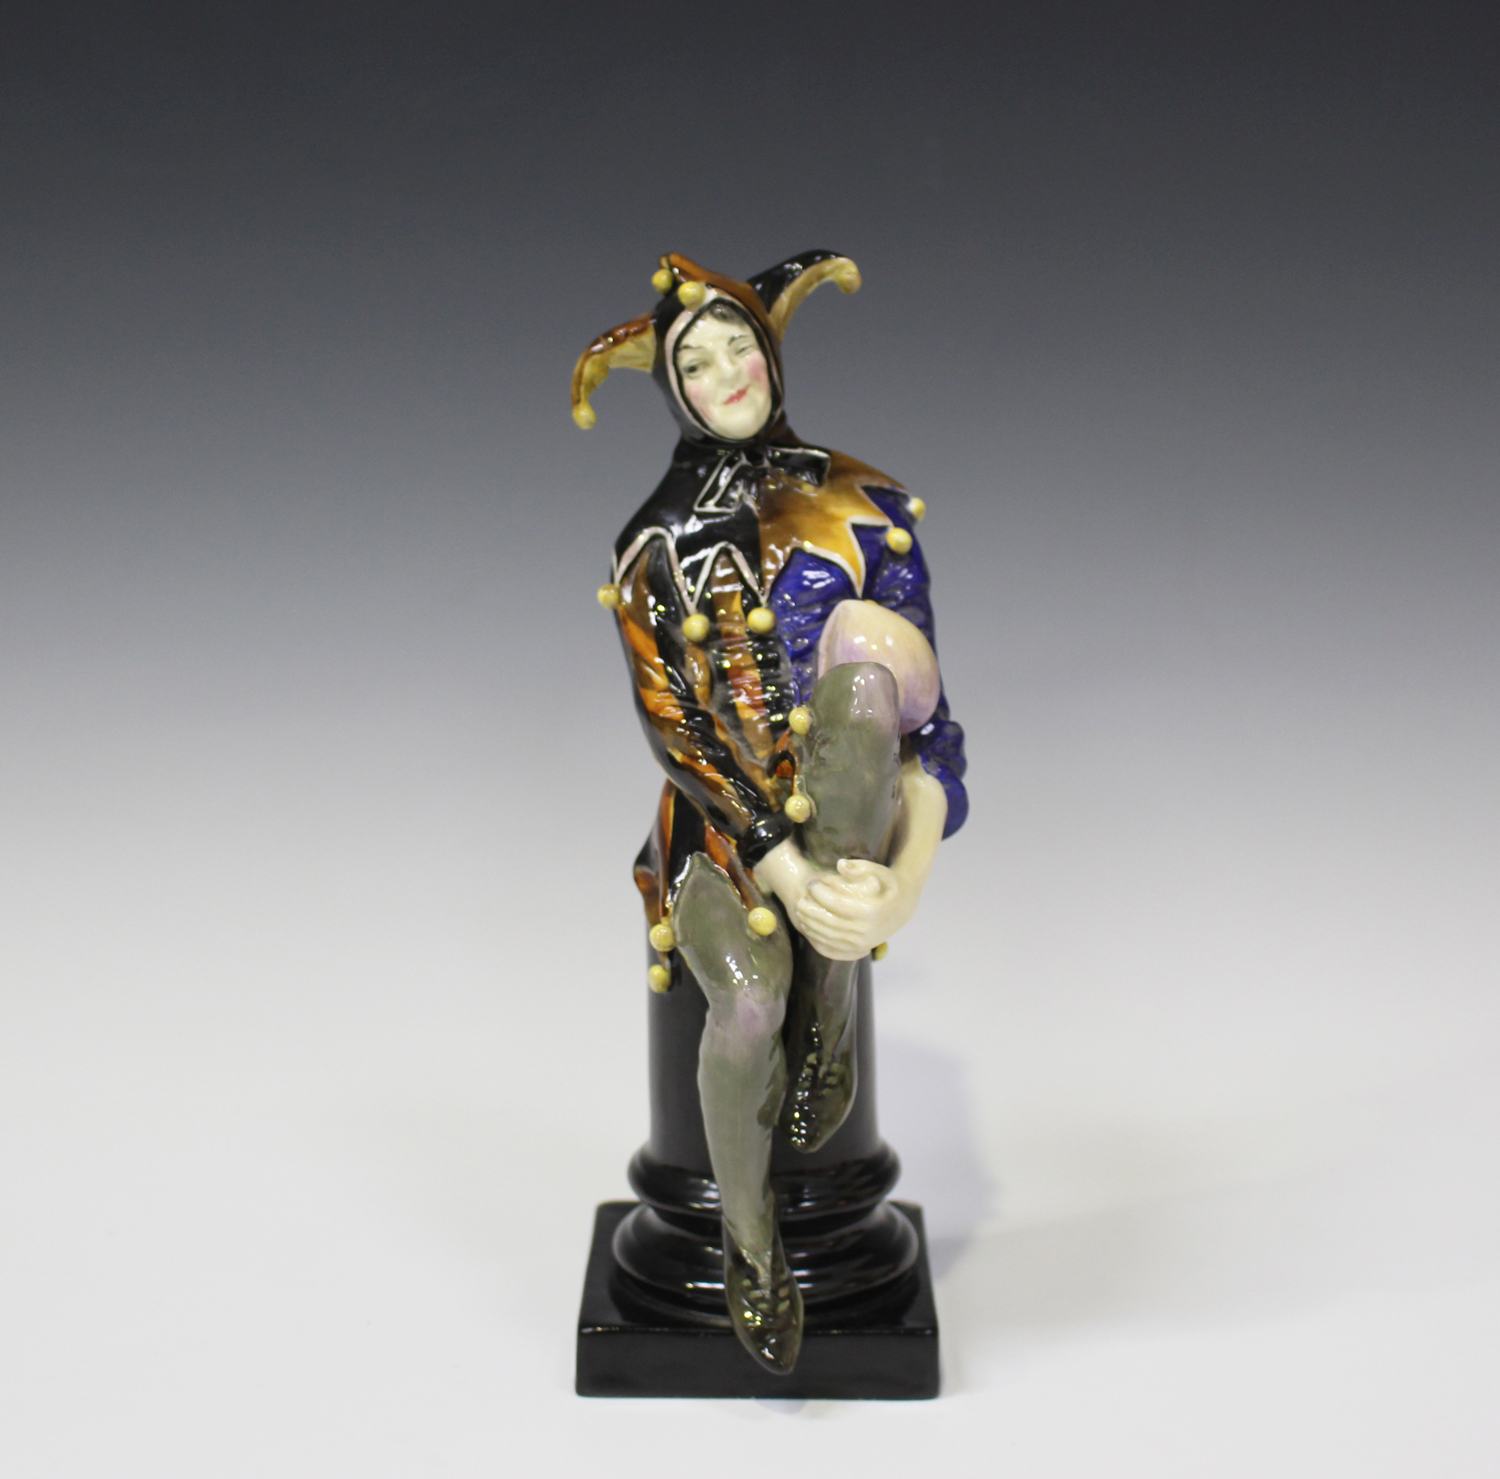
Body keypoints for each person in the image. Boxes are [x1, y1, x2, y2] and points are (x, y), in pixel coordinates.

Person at [573, 251, 967, 1374]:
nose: (726, 374)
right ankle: (749, 1244)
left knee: (866, 682)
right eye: (695, 364)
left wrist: (903, 881)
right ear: (674, 390)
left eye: (738, 344)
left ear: (771, 350)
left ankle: (832, 999)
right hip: (720, 830)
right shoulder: (652, 546)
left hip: (849, 809)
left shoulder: (867, 508)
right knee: (746, 1008)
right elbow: (677, 730)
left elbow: (933, 738)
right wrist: (777, 863)